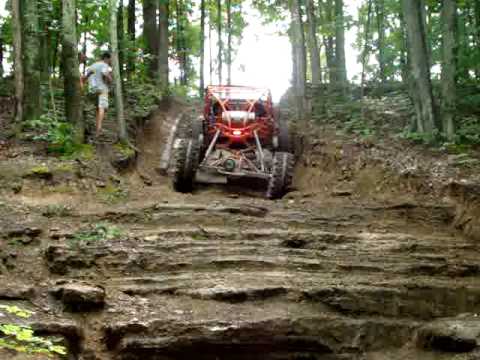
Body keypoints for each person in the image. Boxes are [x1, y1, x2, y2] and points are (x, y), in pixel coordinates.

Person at [82, 52, 113, 137]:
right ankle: (99, 129)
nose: (110, 61)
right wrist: (111, 80)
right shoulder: (104, 65)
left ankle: (95, 127)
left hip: (92, 90)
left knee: (97, 108)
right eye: (110, 59)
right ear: (106, 58)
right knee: (102, 107)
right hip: (101, 89)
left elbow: (85, 78)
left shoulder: (92, 66)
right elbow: (105, 73)